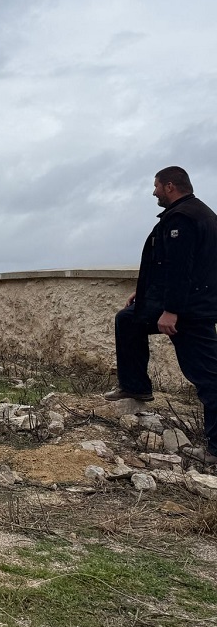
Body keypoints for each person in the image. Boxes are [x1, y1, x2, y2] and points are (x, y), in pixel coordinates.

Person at [108, 167, 217, 467]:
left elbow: (181, 269)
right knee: (128, 320)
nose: (153, 192)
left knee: (208, 377)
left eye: (156, 186)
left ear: (170, 186)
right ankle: (135, 386)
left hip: (189, 311)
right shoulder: (198, 213)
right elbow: (164, 267)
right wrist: (143, 296)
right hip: (189, 304)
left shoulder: (183, 219)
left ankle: (216, 449)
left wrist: (171, 311)